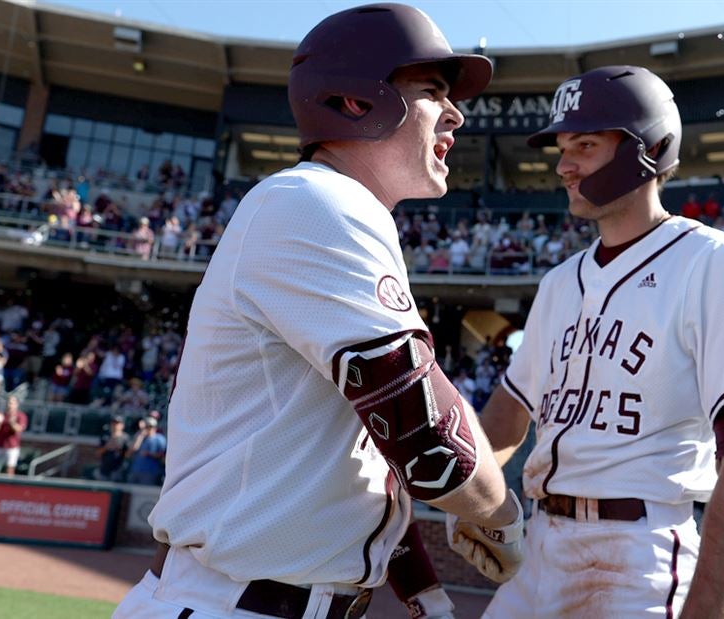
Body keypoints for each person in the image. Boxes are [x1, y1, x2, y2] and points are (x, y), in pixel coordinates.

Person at [115, 6, 519, 619]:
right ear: (357, 101)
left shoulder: (326, 207)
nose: (457, 113)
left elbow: (359, 447)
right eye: (434, 91)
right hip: (233, 603)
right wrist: (505, 518)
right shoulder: (316, 202)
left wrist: (421, 587)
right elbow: (425, 432)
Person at [474, 65, 724, 618]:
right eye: (563, 146)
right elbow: (507, 417)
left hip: (639, 551)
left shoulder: (717, 263)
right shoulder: (557, 282)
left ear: (650, 149)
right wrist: (467, 497)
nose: (563, 164)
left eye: (586, 145)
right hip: (540, 543)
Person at [0, 395, 27, 476]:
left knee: (9, 469)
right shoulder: (2, 415)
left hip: (11, 447)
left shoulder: (20, 415)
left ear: (16, 404)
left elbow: (19, 429)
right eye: (8, 403)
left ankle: (9, 486)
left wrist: (12, 422)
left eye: (11, 403)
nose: (9, 405)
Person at [126, 417, 166, 485]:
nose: (148, 429)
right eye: (146, 427)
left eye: (150, 427)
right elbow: (131, 452)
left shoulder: (159, 438)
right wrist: (140, 436)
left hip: (150, 472)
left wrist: (149, 454)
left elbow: (162, 455)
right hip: (135, 470)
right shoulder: (139, 437)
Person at [95, 415, 130, 482]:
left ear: (122, 425)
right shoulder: (105, 436)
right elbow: (97, 453)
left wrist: (119, 448)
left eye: (118, 423)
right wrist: (107, 447)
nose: (115, 425)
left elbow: (127, 455)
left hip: (117, 469)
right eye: (114, 423)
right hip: (104, 469)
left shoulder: (125, 438)